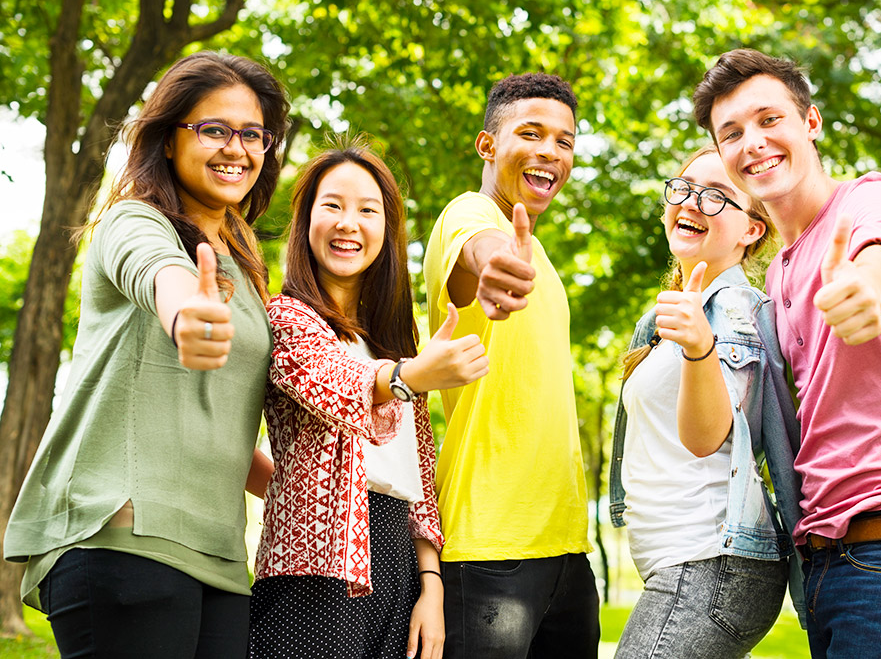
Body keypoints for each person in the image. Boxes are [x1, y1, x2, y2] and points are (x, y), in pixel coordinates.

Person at [692, 48, 881, 658]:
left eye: (770, 120)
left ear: (811, 122)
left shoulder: (870, 200)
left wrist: (865, 292)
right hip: (828, 561)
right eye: (732, 134)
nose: (754, 143)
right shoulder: (776, 278)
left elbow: (879, 261)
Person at [3, 51, 289, 657]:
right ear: (166, 140)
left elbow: (221, 431)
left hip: (220, 555)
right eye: (214, 129)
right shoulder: (133, 221)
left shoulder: (243, 267)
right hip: (126, 538)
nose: (235, 148)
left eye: (253, 133)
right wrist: (187, 312)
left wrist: (321, 489)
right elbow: (159, 274)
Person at [248, 137, 488, 659]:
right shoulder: (287, 319)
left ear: (387, 229)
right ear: (305, 220)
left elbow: (419, 475)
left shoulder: (394, 344)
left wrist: (431, 584)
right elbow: (334, 385)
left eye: (367, 210)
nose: (348, 223)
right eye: (331, 205)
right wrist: (408, 377)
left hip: (399, 563)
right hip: (312, 567)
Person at [422, 73, 599, 658]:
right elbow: (477, 253)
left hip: (565, 547)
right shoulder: (470, 213)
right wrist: (494, 269)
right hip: (491, 544)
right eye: (531, 132)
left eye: (565, 141)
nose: (551, 150)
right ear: (487, 145)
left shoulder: (540, 255)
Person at [608, 145, 803, 658]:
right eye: (684, 188)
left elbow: (705, 438)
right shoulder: (665, 318)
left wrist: (700, 349)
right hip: (687, 563)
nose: (692, 203)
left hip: (714, 564)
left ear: (752, 229)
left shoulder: (735, 310)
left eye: (717, 196)